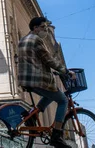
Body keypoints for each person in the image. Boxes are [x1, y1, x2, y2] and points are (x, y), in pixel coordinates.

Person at [18, 16, 76, 148]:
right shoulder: (36, 40)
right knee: (62, 100)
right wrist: (66, 71)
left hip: (25, 79)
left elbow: (34, 60)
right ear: (35, 28)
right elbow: (49, 60)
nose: (46, 30)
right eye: (43, 27)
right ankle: (56, 135)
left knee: (50, 94)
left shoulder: (23, 40)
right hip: (36, 79)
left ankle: (33, 115)